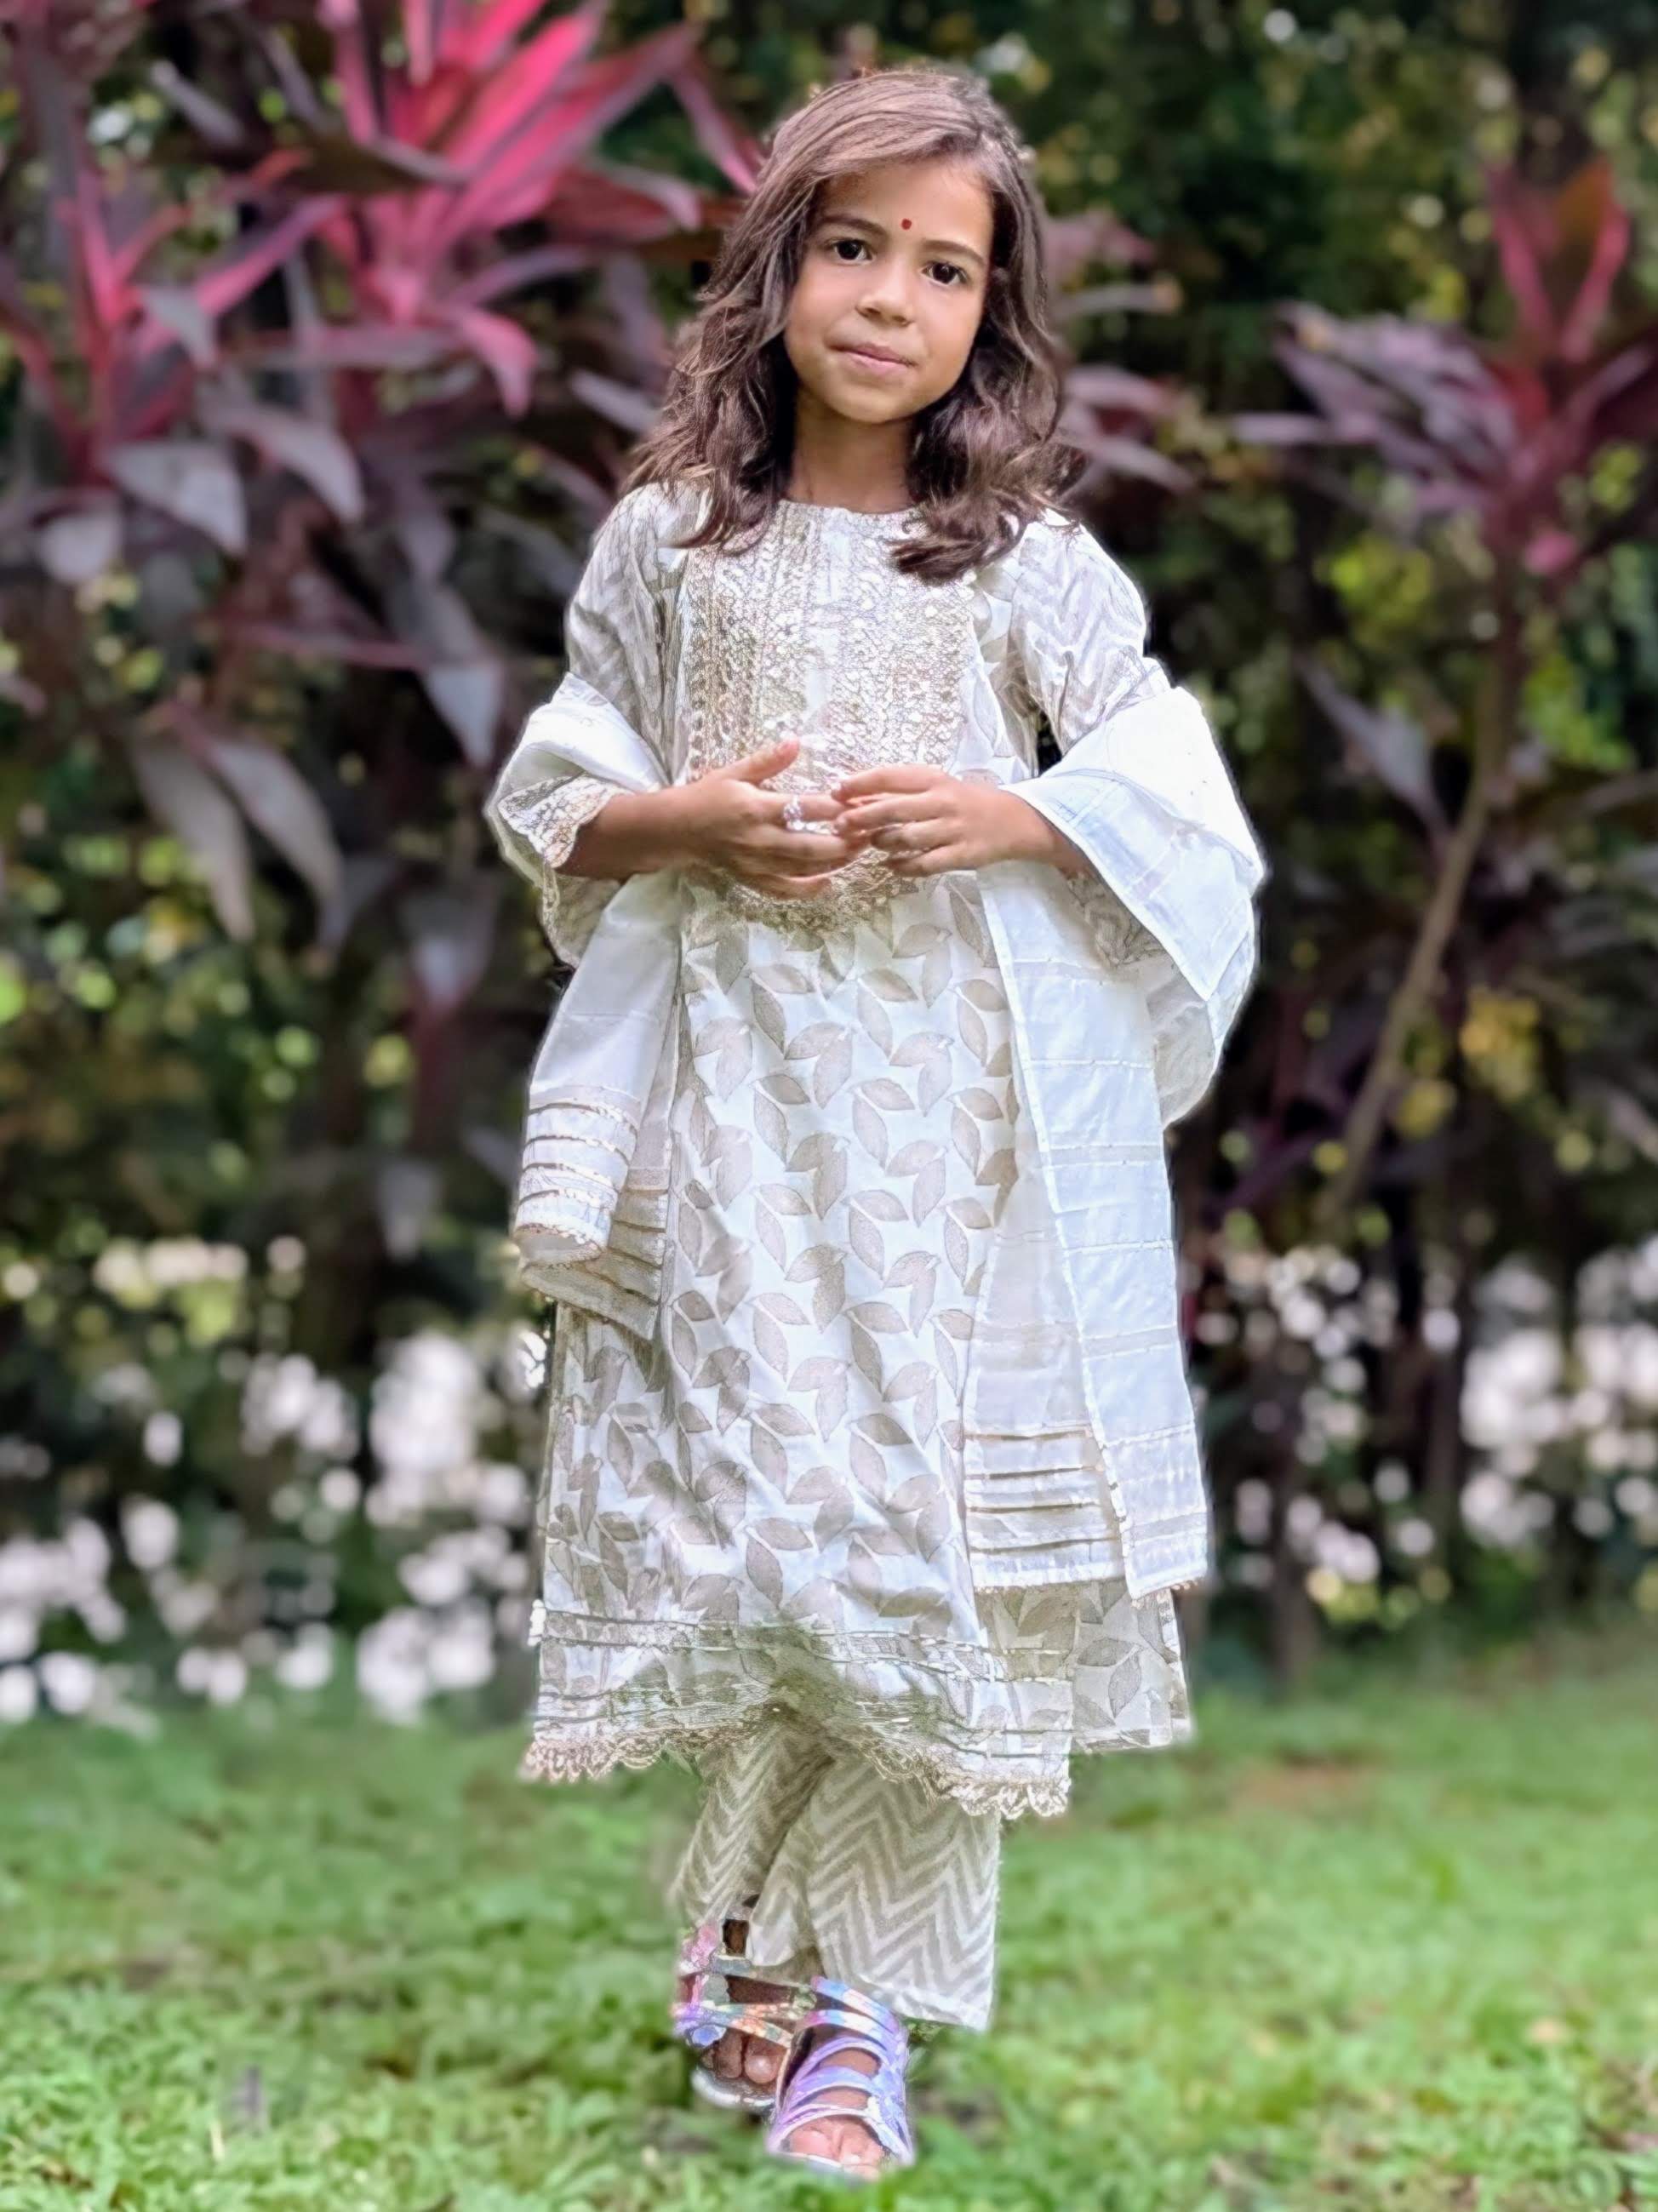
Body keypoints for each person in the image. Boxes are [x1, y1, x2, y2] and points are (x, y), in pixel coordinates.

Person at [483, 61, 1266, 2186]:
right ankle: (753, 1927)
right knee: (771, 1525)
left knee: (923, 1542)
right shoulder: (672, 544)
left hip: (949, 1140)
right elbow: (558, 794)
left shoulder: (1017, 560)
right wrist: (695, 822)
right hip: (727, 1116)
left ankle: (859, 2018)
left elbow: (1169, 796)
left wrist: (1012, 814)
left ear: (987, 314)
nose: (887, 300)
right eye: (852, 248)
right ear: (777, 268)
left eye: (941, 269)